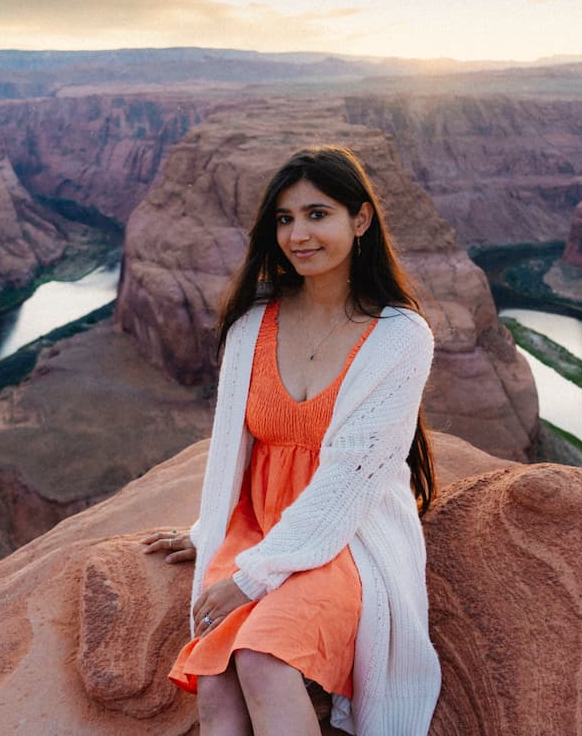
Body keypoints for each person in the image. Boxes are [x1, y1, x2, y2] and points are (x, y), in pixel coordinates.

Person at [142, 146, 441, 735]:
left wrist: (251, 579)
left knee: (261, 657)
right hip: (257, 525)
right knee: (216, 675)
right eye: (284, 219)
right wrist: (211, 531)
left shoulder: (401, 337)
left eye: (317, 214)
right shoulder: (252, 325)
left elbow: (344, 487)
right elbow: (232, 448)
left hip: (346, 540)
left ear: (360, 221)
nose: (298, 234)